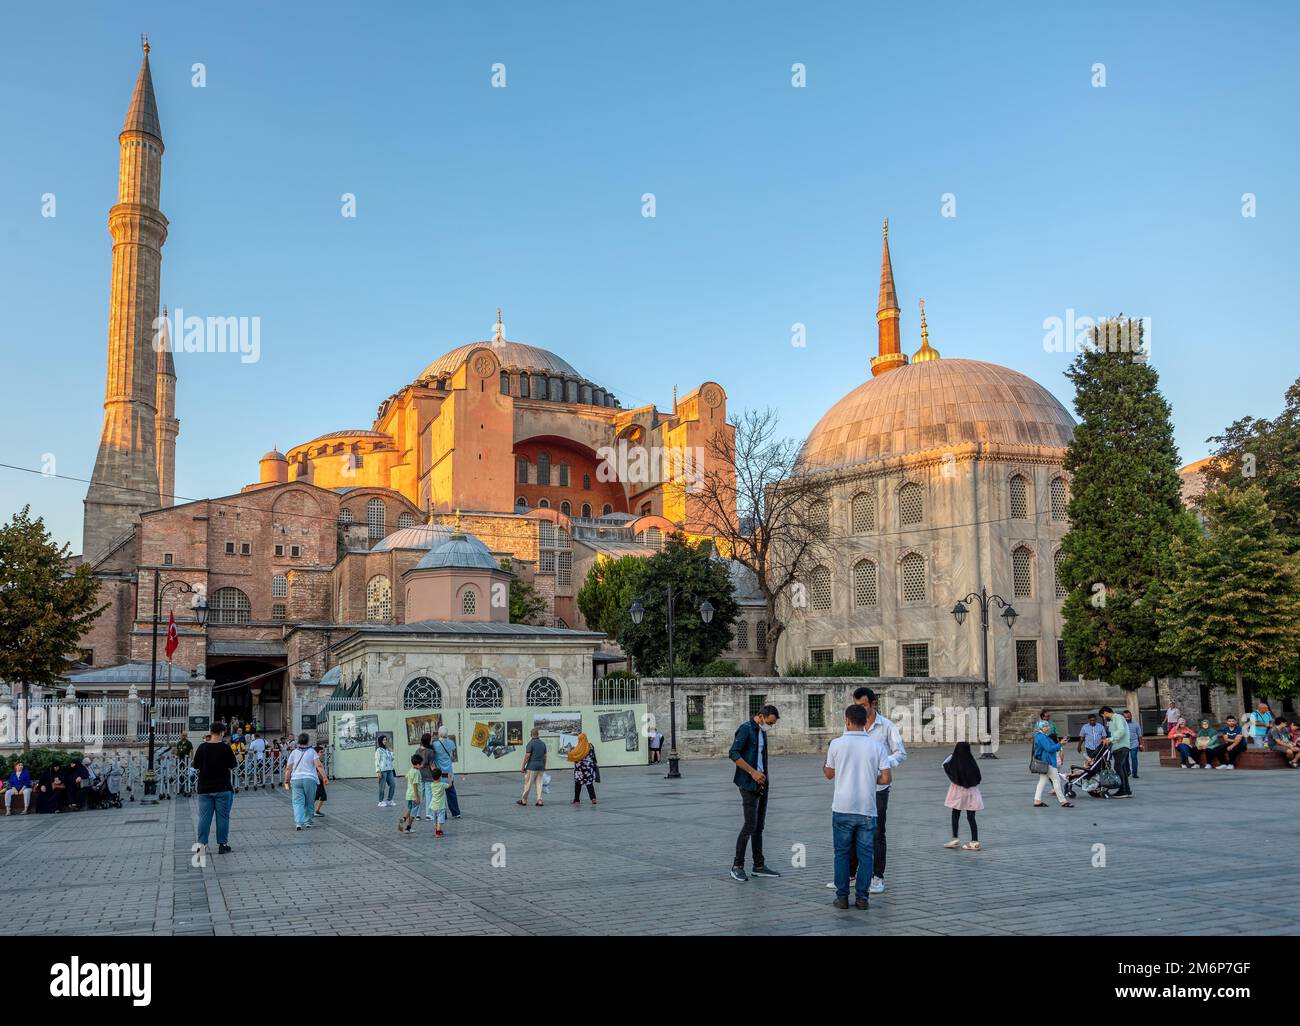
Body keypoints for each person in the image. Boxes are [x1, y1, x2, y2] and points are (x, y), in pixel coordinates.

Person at [826, 687, 907, 894]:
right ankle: (850, 874)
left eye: (863, 705)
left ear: (873, 704)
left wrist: (882, 765)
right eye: (856, 705)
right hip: (854, 788)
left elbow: (900, 752)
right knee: (851, 833)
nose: (859, 708)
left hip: (878, 787)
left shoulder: (887, 726)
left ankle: (877, 876)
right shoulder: (852, 727)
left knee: (877, 833)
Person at [823, 703, 891, 909]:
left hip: (842, 807)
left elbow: (829, 773)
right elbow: (886, 778)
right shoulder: (877, 746)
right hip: (867, 808)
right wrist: (871, 780)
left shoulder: (836, 744)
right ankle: (862, 898)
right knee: (865, 854)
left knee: (842, 854)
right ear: (865, 722)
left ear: (847, 721)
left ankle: (842, 896)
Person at [728, 704, 781, 883]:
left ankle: (758, 865)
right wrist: (752, 772)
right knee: (749, 824)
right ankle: (737, 866)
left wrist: (763, 776)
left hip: (762, 782)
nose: (770, 726)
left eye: (772, 724)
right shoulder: (745, 729)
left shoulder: (762, 731)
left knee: (759, 826)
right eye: (769, 722)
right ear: (760, 716)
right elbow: (733, 753)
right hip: (748, 783)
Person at [192, 721, 238, 854]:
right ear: (222, 733)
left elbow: (195, 765)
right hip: (223, 788)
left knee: (204, 817)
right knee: (223, 817)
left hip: (205, 788)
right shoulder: (225, 748)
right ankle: (222, 845)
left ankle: (201, 845)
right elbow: (233, 765)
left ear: (210, 732)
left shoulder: (202, 747)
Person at [942, 741, 983, 851]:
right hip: (972, 792)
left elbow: (945, 766)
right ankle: (974, 841)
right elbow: (978, 777)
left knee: (955, 814)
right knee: (971, 817)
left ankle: (955, 839)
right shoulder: (972, 762)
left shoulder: (954, 762)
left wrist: (950, 757)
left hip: (957, 792)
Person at [284, 732, 326, 830]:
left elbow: (288, 769)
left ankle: (298, 823)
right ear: (307, 741)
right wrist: (324, 777)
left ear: (298, 741)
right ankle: (308, 822)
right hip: (309, 779)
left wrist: (286, 780)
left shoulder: (294, 752)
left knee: (298, 802)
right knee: (309, 801)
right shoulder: (312, 752)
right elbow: (318, 765)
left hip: (296, 780)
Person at [1032, 723, 1073, 808]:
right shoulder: (1042, 736)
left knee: (1042, 781)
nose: (1047, 727)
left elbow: (1049, 747)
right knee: (1056, 780)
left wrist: (1060, 744)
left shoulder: (1040, 736)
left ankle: (1037, 800)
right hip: (1048, 762)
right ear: (1041, 727)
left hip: (1044, 762)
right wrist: (1060, 744)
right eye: (1045, 726)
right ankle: (1063, 801)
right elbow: (1049, 748)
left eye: (1047, 726)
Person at [1100, 706, 1132, 797]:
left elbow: (1121, 731)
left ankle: (1123, 790)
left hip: (1121, 747)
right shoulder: (1114, 720)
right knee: (1122, 769)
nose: (1104, 718)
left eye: (1103, 716)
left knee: (1118, 768)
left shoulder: (1117, 717)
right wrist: (1108, 739)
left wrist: (1111, 739)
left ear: (1105, 713)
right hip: (1120, 746)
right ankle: (1127, 789)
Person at [432, 726, 461, 818]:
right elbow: (452, 755)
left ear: (439, 733)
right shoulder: (451, 742)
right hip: (449, 771)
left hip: (439, 772)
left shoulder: (435, 744)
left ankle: (442, 814)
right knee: (451, 792)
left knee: (440, 794)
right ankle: (456, 813)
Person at [518, 728, 547, 807]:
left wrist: (523, 766)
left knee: (528, 783)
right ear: (538, 734)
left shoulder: (530, 743)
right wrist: (544, 766)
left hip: (532, 767)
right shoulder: (542, 744)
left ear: (531, 735)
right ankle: (539, 800)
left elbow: (527, 756)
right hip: (540, 766)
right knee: (539, 783)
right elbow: (545, 757)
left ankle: (524, 800)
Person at [568, 732, 599, 805]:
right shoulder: (590, 746)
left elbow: (572, 755)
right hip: (588, 770)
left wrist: (570, 750)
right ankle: (593, 798)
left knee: (577, 785)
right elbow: (593, 757)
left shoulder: (578, 748)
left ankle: (577, 800)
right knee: (589, 784)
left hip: (579, 771)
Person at [416, 732, 438, 821]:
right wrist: (436, 774)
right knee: (429, 795)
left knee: (420, 795)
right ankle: (428, 814)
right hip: (428, 775)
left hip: (419, 775)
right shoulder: (430, 751)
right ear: (428, 741)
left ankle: (417, 814)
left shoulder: (417, 751)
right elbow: (432, 765)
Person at [399, 754, 423, 833]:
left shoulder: (411, 770)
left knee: (409, 809)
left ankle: (403, 819)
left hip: (409, 795)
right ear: (417, 764)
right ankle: (408, 828)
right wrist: (417, 797)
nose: (422, 765)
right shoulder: (416, 772)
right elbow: (415, 784)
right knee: (413, 813)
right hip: (414, 795)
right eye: (421, 764)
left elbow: (406, 776)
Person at [426, 768, 450, 836]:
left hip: (433, 806)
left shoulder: (431, 785)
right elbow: (449, 785)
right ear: (440, 777)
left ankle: (437, 829)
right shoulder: (442, 785)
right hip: (440, 806)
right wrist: (449, 778)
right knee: (440, 819)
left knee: (435, 819)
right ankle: (438, 832)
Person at [375, 735, 397, 807]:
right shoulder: (378, 750)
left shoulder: (387, 750)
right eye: (384, 740)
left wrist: (392, 752)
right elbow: (377, 761)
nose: (385, 741)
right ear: (380, 741)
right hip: (382, 771)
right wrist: (378, 771)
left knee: (393, 785)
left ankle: (389, 800)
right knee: (382, 786)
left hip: (390, 770)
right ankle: (380, 801)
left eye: (386, 740)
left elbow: (391, 759)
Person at [1122, 709, 1142, 778]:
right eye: (1126, 717)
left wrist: (1140, 744)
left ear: (1131, 716)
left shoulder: (1136, 723)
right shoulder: (1121, 725)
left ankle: (1135, 773)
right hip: (1125, 744)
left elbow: (1139, 735)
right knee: (1125, 759)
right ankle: (1128, 771)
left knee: (1134, 758)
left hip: (1134, 743)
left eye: (1129, 717)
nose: (1128, 718)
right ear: (1123, 717)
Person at [312, 745, 329, 816]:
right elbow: (317, 772)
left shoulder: (318, 760)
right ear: (316, 753)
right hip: (317, 781)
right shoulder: (316, 761)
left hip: (318, 781)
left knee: (317, 796)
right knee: (322, 796)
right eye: (321, 752)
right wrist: (324, 778)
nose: (322, 753)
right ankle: (315, 811)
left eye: (323, 752)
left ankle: (313, 810)